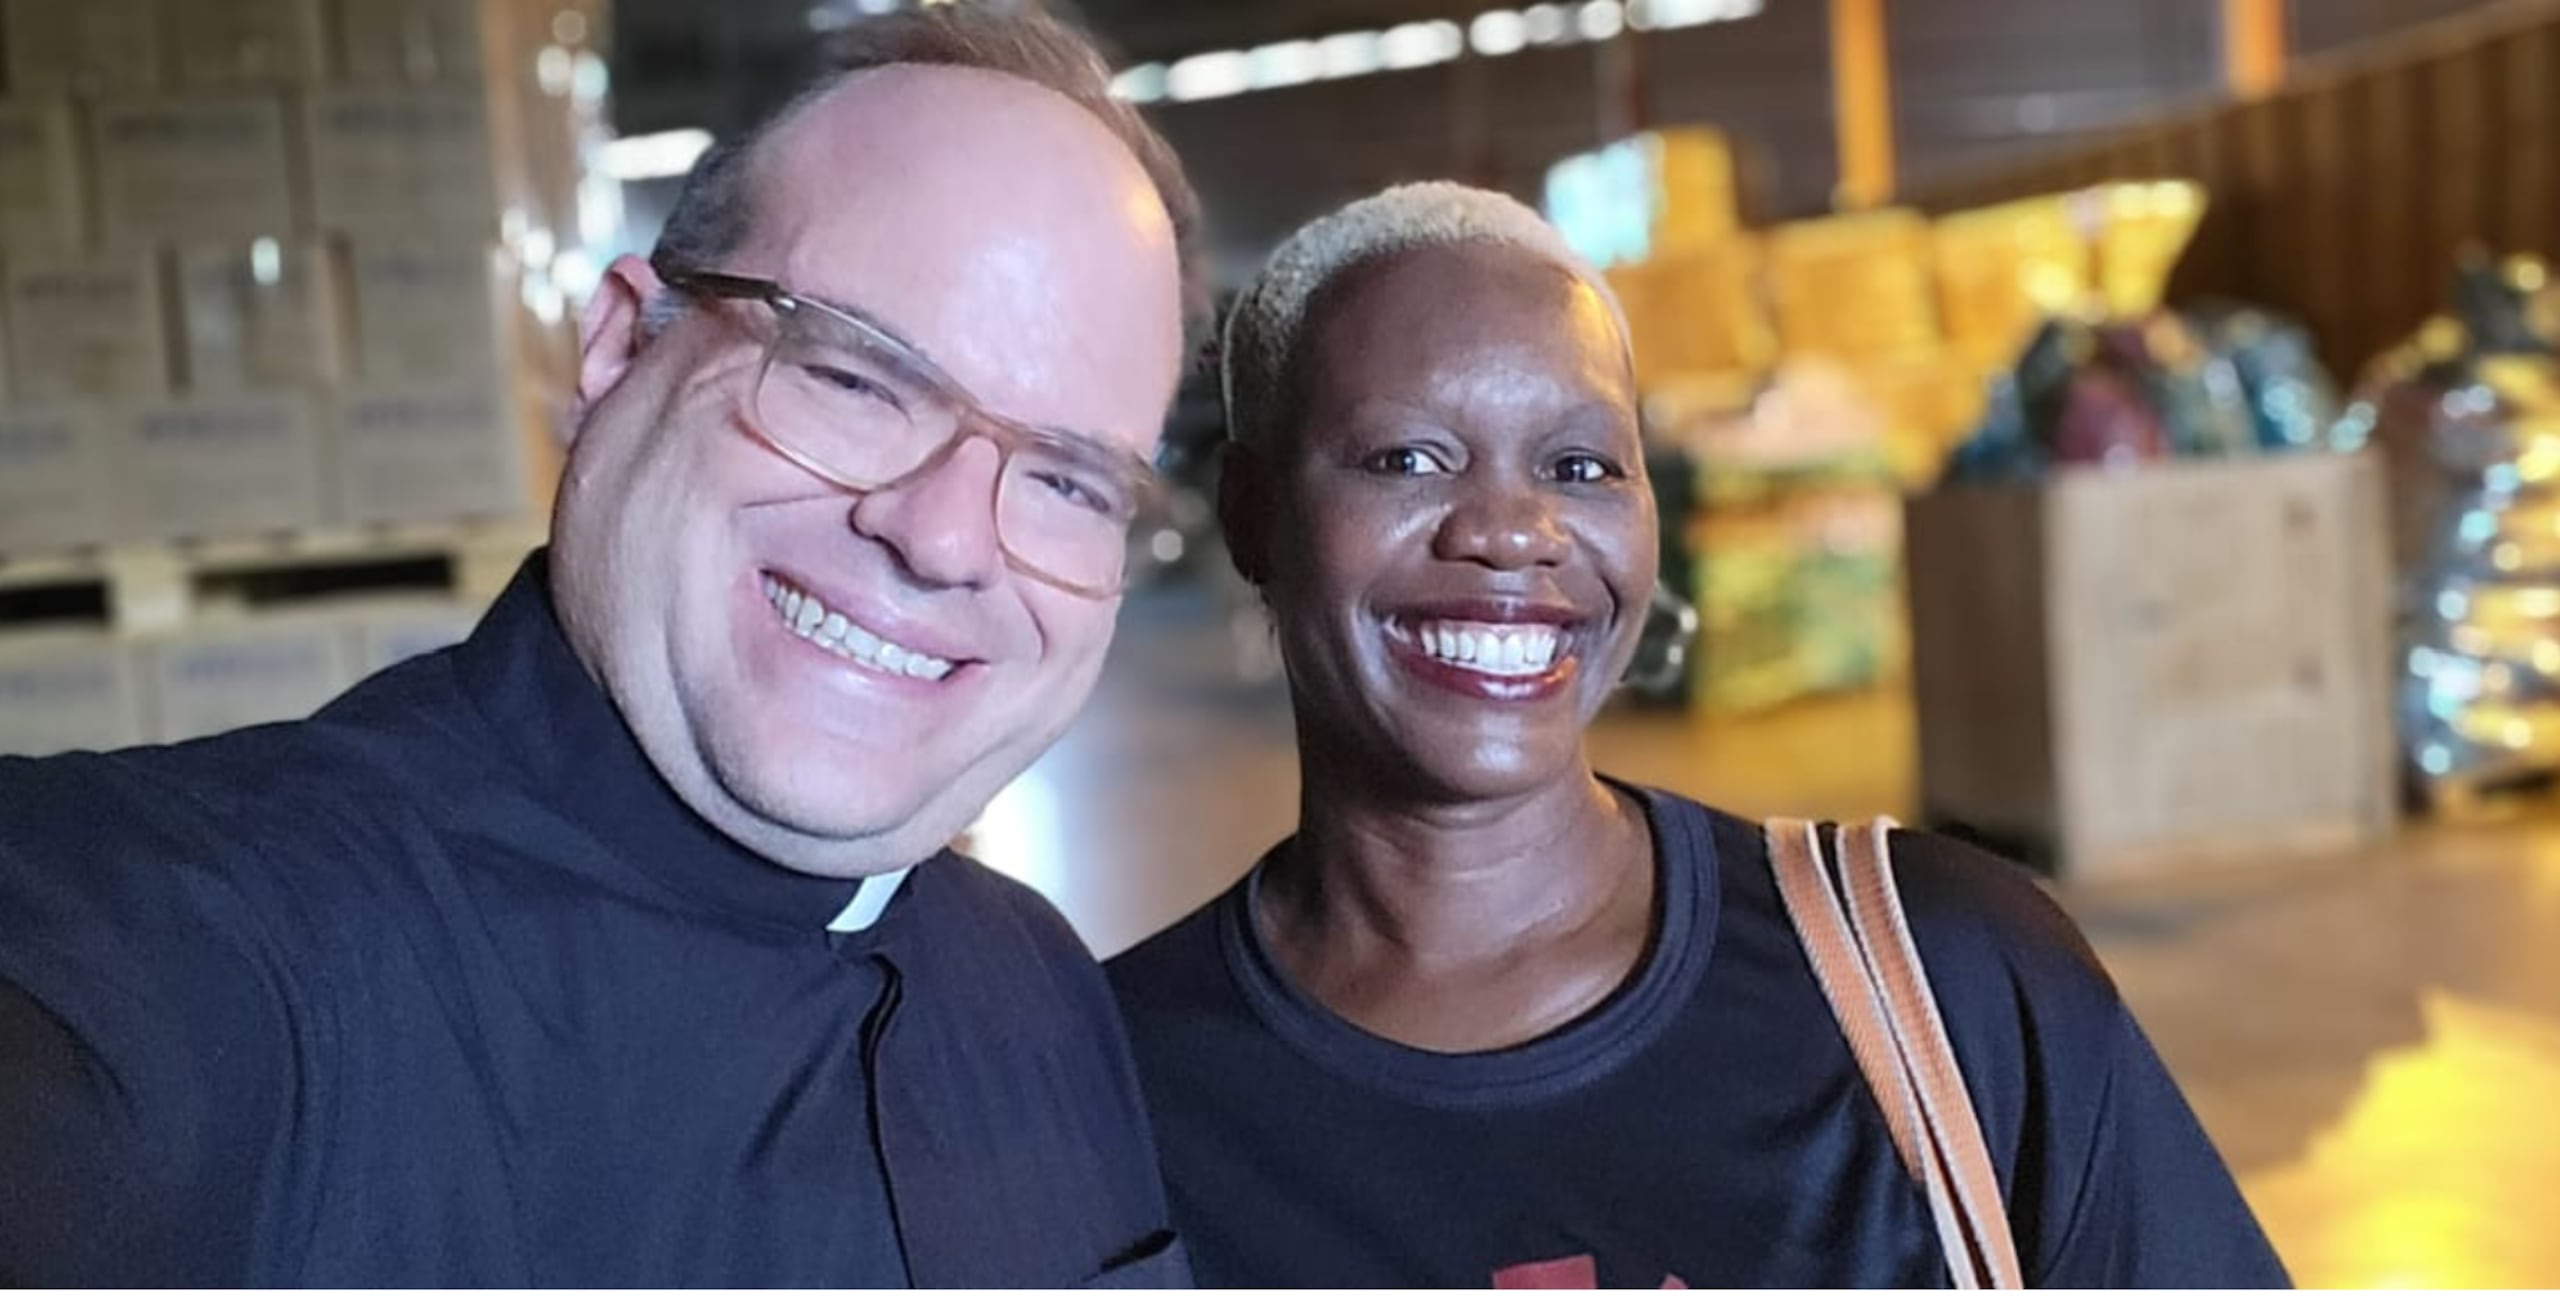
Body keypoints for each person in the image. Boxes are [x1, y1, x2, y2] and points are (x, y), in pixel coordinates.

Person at [0, 7, 1205, 1286]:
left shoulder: (1039, 984)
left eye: (1069, 481)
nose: (946, 539)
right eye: (854, 379)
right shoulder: (176, 957)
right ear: (620, 345)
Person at [1107, 183, 2291, 1289]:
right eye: (1409, 458)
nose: (1515, 532)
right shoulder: (1104, 1088)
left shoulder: (1940, 980)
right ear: (1252, 517)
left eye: (1580, 465)